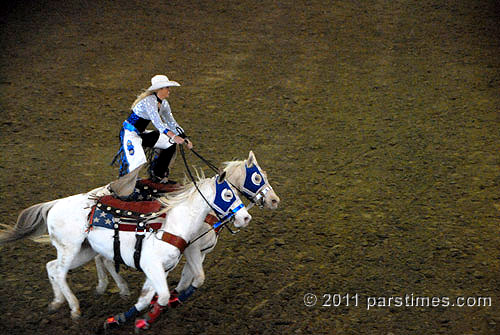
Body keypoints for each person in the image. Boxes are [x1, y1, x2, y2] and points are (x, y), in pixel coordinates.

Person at [112, 74, 193, 191]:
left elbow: (171, 122)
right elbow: (158, 123)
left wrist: (184, 137)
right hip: (130, 134)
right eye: (167, 88)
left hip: (142, 133)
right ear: (160, 89)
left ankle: (158, 176)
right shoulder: (149, 102)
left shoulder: (164, 103)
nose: (169, 90)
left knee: (170, 143)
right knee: (138, 161)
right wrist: (174, 136)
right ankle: (127, 188)